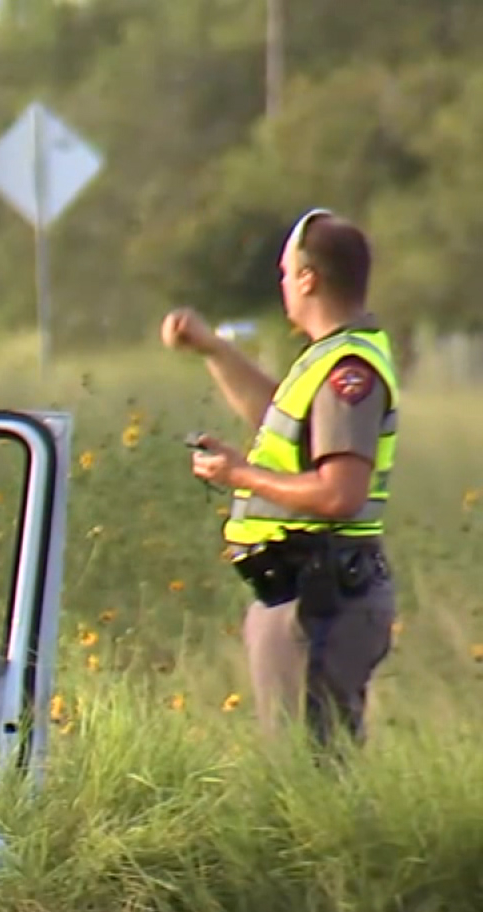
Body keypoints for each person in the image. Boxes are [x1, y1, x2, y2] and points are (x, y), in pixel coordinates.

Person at [159, 209, 399, 751]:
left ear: (310, 278)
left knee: (311, 769)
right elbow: (277, 415)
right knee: (301, 761)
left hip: (322, 596)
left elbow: (341, 493)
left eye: (286, 272)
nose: (283, 283)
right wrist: (214, 351)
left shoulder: (347, 371)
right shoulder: (327, 355)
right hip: (306, 593)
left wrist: (240, 474)